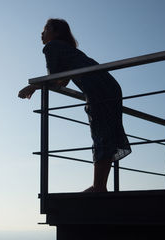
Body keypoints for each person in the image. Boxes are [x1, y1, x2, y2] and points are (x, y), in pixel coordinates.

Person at [18, 18, 131, 192]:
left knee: (101, 133)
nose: (42, 33)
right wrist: (42, 85)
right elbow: (62, 81)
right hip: (110, 87)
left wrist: (33, 85)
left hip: (98, 89)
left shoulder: (52, 46)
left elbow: (54, 79)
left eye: (46, 28)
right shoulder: (68, 49)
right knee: (106, 134)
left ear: (56, 32)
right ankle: (100, 186)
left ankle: (98, 186)